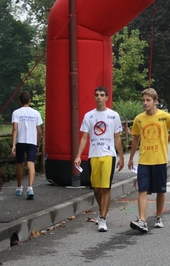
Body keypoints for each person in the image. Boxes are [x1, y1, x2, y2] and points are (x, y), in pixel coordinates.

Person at [74, 87, 124, 232]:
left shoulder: (113, 116)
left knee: (105, 187)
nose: (99, 97)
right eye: (97, 95)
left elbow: (117, 138)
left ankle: (102, 218)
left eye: (102, 95)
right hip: (93, 155)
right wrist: (78, 155)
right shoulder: (89, 116)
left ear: (107, 97)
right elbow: (84, 138)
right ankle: (103, 210)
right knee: (96, 188)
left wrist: (121, 157)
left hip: (108, 154)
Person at [128, 88, 170, 232]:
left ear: (155, 101)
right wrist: (131, 158)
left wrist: (165, 141)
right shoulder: (139, 119)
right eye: (143, 100)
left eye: (148, 100)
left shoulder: (165, 116)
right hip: (144, 160)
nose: (145, 103)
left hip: (160, 159)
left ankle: (158, 217)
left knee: (160, 191)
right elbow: (136, 138)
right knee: (142, 190)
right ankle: (142, 220)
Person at [11, 91, 43, 200]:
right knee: (31, 164)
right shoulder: (36, 113)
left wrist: (13, 144)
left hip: (20, 141)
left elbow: (15, 128)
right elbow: (39, 132)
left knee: (20, 164)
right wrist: (38, 143)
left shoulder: (16, 113)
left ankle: (19, 187)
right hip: (32, 142)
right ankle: (30, 188)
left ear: (19, 101)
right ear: (30, 100)